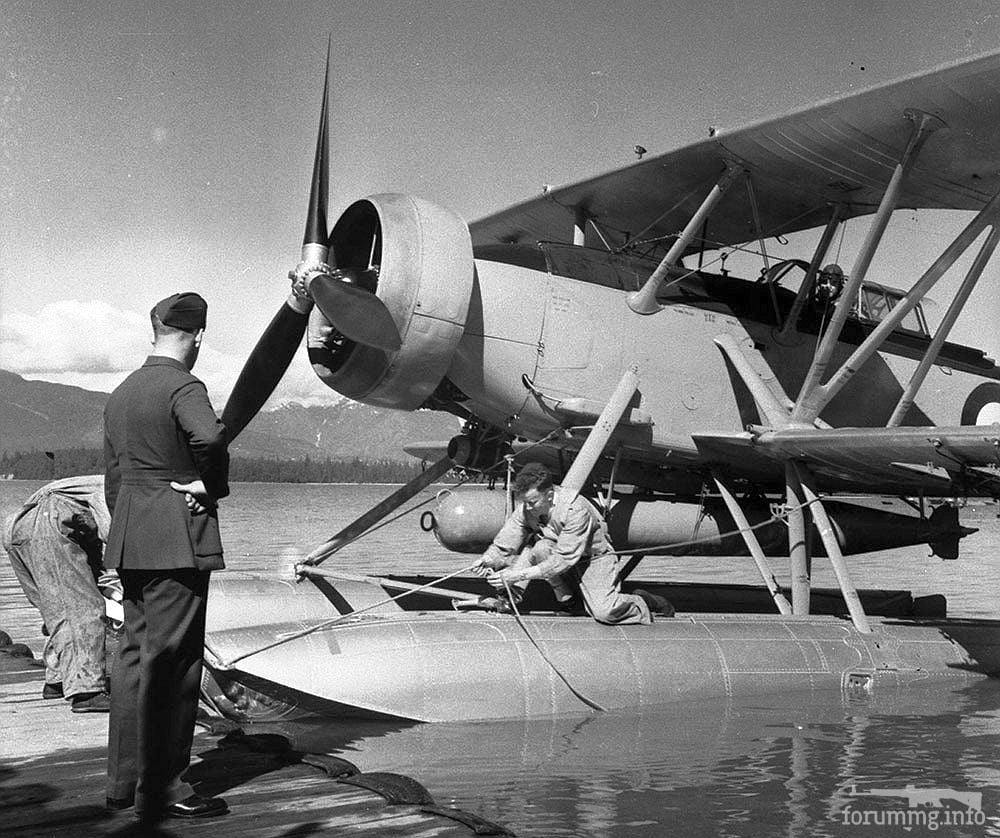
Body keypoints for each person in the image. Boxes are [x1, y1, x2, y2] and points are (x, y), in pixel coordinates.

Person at [103, 291, 230, 823]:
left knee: (133, 658)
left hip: (132, 537)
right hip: (176, 538)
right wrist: (210, 484)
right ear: (197, 337)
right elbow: (211, 436)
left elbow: (113, 476)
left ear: (155, 330)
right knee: (174, 664)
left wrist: (130, 520)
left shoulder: (122, 391)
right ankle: (163, 788)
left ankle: (123, 782)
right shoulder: (184, 385)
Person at [472, 462, 672, 625]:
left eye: (532, 502)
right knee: (540, 547)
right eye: (525, 502)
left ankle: (644, 602)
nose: (528, 507)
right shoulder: (528, 506)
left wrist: (516, 575)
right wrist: (488, 559)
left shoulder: (575, 510)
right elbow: (509, 537)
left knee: (605, 613)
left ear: (550, 496)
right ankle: (570, 601)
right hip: (559, 555)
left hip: (594, 558)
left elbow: (563, 559)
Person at [1, 475, 116, 712]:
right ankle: (86, 691)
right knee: (85, 607)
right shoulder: (116, 487)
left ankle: (57, 679)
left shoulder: (97, 482)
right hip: (48, 520)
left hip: (16, 526)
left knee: (54, 608)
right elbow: (111, 534)